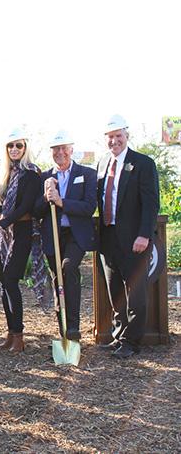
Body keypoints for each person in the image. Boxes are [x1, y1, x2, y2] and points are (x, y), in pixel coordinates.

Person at [97, 115, 159, 359]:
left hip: (135, 239)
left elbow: (151, 203)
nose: (114, 141)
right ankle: (119, 336)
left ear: (127, 136)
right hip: (109, 238)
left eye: (118, 136)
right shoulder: (102, 163)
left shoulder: (143, 163)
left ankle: (132, 342)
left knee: (135, 292)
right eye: (110, 137)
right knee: (115, 291)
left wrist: (144, 234)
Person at [33, 130, 97, 342]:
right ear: (52, 152)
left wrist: (61, 201)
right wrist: (46, 196)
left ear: (71, 150)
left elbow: (89, 207)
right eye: (56, 149)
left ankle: (74, 327)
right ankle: (64, 330)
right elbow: (36, 211)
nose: (60, 152)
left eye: (63, 148)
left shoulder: (86, 174)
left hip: (75, 235)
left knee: (68, 269)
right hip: (53, 234)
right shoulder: (45, 177)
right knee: (57, 278)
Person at [0, 128, 41, 353]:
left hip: (23, 231)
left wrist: (1, 223)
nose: (15, 149)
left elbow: (25, 206)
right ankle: (10, 333)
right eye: (11, 146)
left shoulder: (31, 173)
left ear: (25, 148)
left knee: (10, 281)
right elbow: (3, 205)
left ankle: (19, 335)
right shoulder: (6, 174)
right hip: (6, 234)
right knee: (3, 283)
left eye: (19, 145)